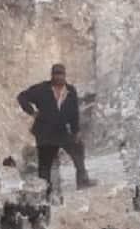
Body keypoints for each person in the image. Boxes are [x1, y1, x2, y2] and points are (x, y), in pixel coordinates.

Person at [17, 64, 95, 192]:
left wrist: (76, 131)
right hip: (45, 131)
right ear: (52, 75)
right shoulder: (42, 89)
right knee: (45, 164)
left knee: (78, 150)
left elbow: (74, 113)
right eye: (56, 74)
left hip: (62, 130)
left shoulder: (70, 91)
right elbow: (22, 97)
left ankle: (82, 180)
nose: (58, 77)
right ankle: (45, 190)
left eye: (61, 74)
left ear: (65, 75)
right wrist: (32, 112)